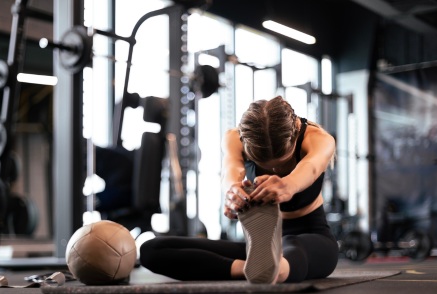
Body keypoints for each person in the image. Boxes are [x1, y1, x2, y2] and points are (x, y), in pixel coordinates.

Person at [139, 95, 338, 284]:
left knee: (294, 247)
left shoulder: (318, 138)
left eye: (282, 163)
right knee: (152, 249)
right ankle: (254, 268)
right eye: (263, 164)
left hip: (312, 238)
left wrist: (288, 185)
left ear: (294, 137)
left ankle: (276, 269)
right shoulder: (234, 137)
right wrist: (233, 191)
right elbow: (231, 169)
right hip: (259, 249)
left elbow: (311, 167)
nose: (274, 170)